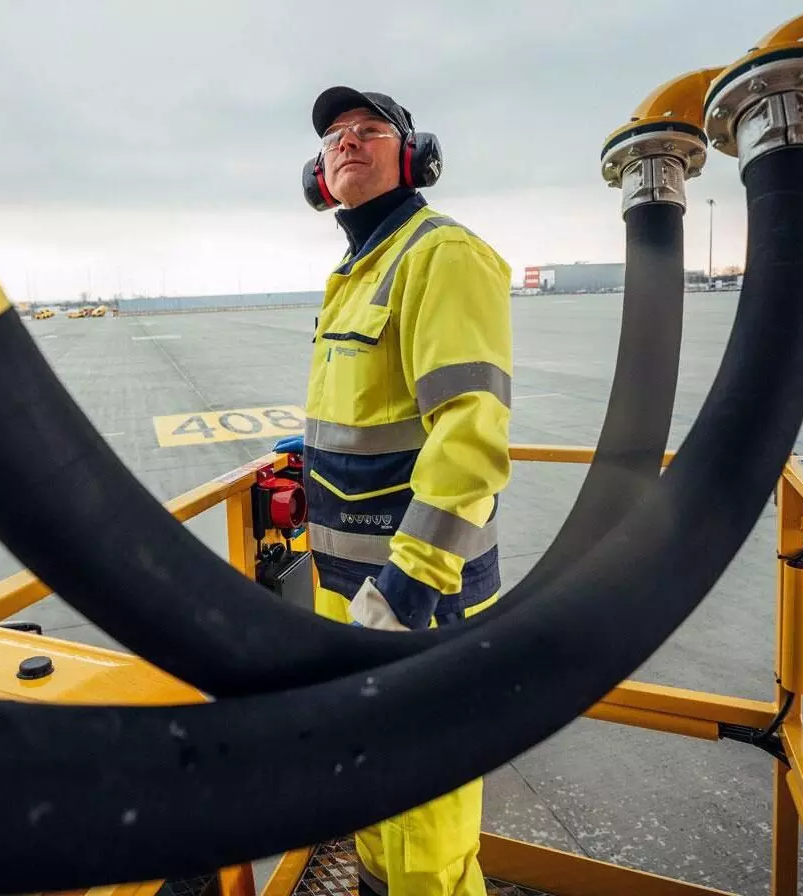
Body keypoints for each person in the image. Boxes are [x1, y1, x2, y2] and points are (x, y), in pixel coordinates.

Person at [275, 86, 513, 896]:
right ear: (318, 173)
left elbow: (470, 437)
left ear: (414, 157)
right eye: (334, 136)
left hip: (416, 597)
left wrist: (410, 587)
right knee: (373, 794)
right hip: (348, 592)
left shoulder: (439, 255)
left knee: (425, 829)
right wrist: (311, 458)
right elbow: (373, 416)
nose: (347, 141)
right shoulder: (354, 271)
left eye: (369, 130)